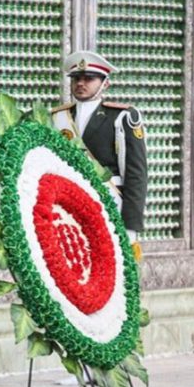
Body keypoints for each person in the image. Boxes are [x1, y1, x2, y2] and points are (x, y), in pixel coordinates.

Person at [51, 50, 148, 243]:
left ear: (105, 84)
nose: (80, 83)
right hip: (68, 209)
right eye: (76, 78)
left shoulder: (122, 116)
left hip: (110, 204)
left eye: (89, 79)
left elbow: (136, 173)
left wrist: (130, 223)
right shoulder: (57, 117)